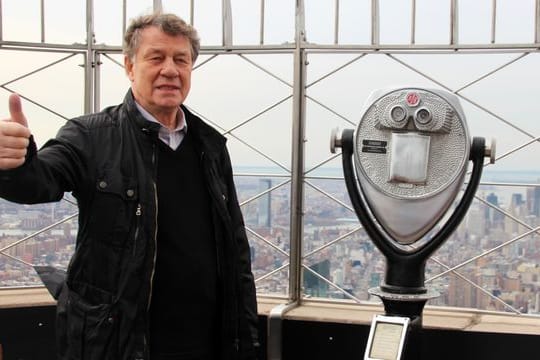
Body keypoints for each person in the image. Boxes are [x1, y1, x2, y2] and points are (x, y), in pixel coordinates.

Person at [0, 12, 259, 360]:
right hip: (122, 343)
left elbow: (236, 252)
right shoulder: (91, 136)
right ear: (129, 66)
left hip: (205, 341)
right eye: (156, 57)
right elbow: (41, 182)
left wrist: (248, 341)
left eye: (181, 60)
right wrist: (15, 165)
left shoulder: (210, 146)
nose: (170, 69)